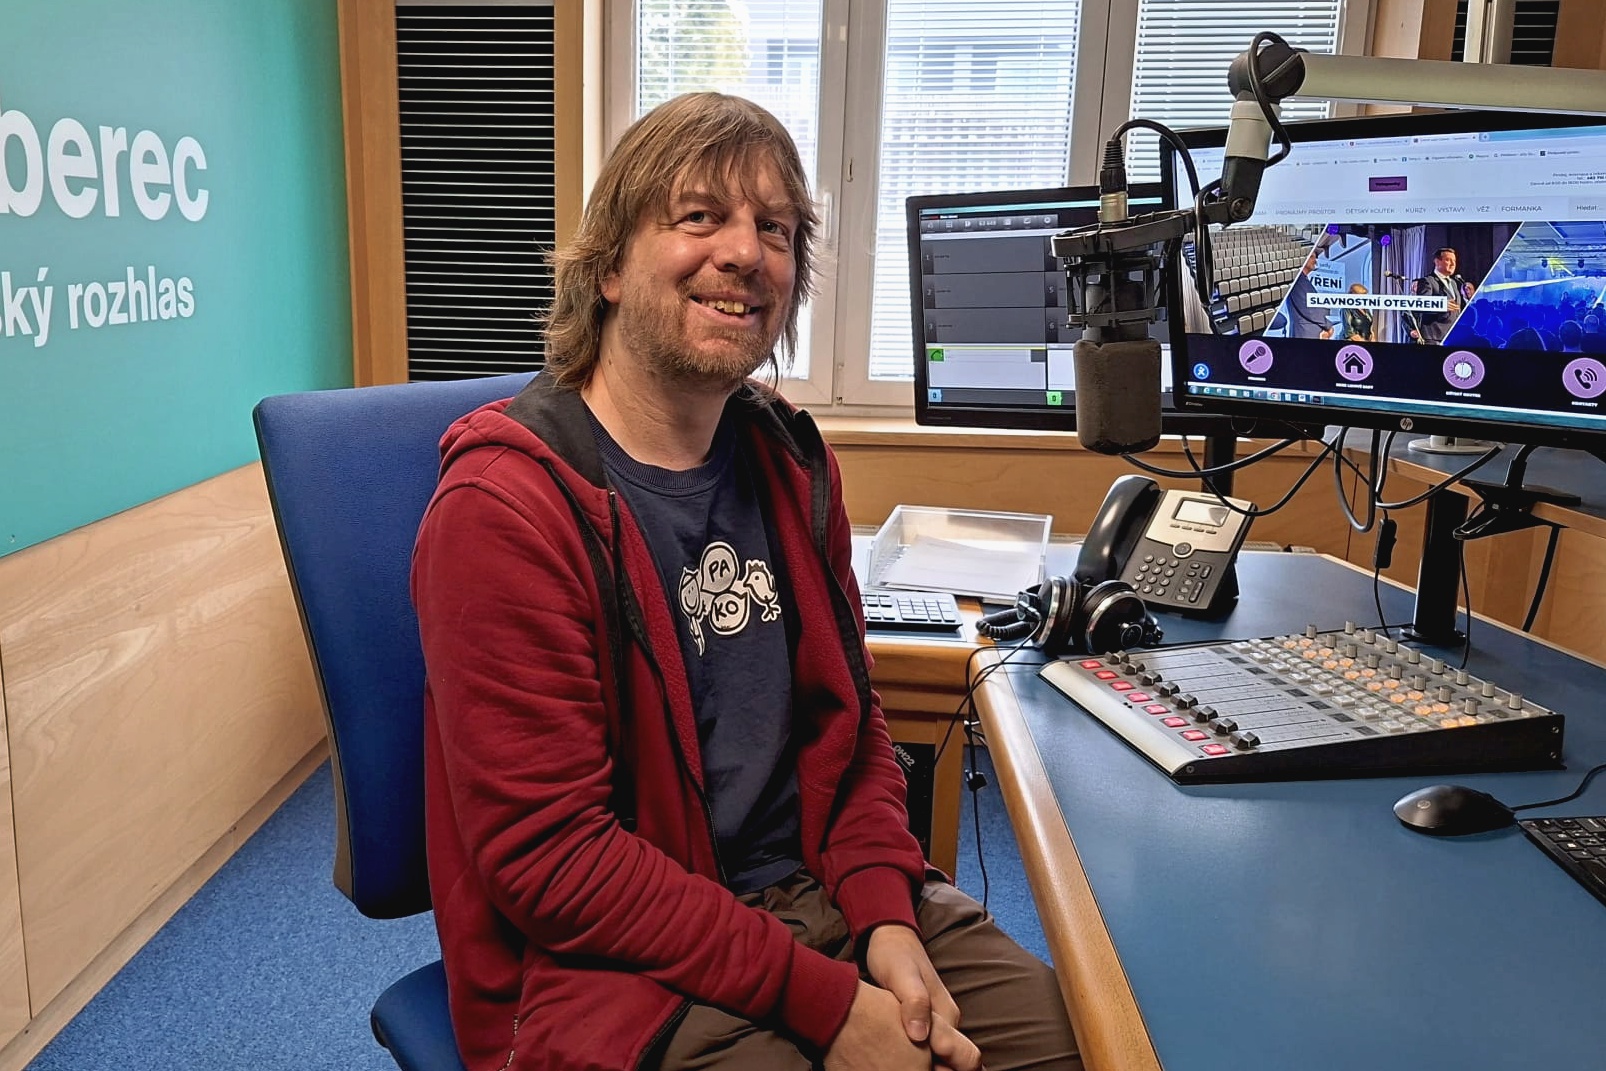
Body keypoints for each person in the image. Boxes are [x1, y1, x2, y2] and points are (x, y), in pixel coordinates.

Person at [411, 92, 1080, 1071]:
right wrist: (826, 1006)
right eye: (699, 216)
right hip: (609, 968)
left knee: (1084, 1047)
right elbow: (553, 858)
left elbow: (851, 728)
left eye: (775, 228)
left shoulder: (791, 462)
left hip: (821, 895)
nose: (745, 253)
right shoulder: (503, 510)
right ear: (608, 266)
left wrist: (888, 915)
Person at [1411, 247, 1474, 344]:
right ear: (1437, 262)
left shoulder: (1453, 283)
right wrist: (1441, 305)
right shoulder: (1427, 281)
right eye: (1448, 260)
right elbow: (1421, 305)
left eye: (1454, 261)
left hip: (1452, 336)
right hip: (1434, 337)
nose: (1453, 264)